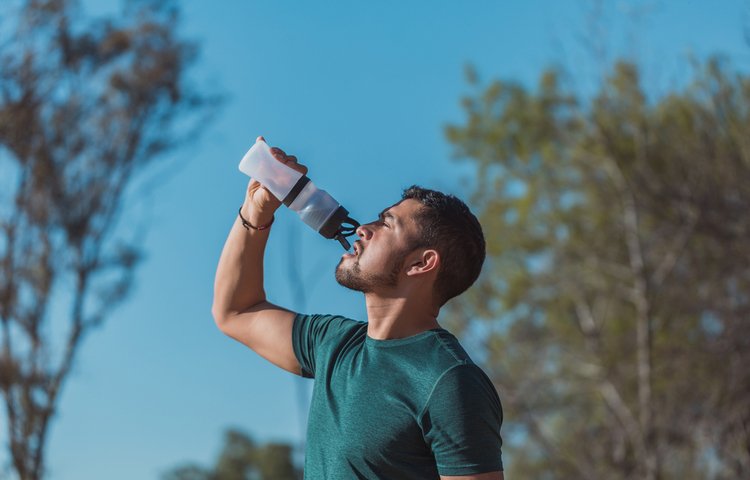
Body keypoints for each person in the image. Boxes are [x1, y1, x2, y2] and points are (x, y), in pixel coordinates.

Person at [212, 137, 504, 479]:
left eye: (387, 223)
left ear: (422, 263)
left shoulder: (449, 382)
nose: (364, 229)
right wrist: (255, 211)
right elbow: (235, 311)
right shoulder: (334, 344)